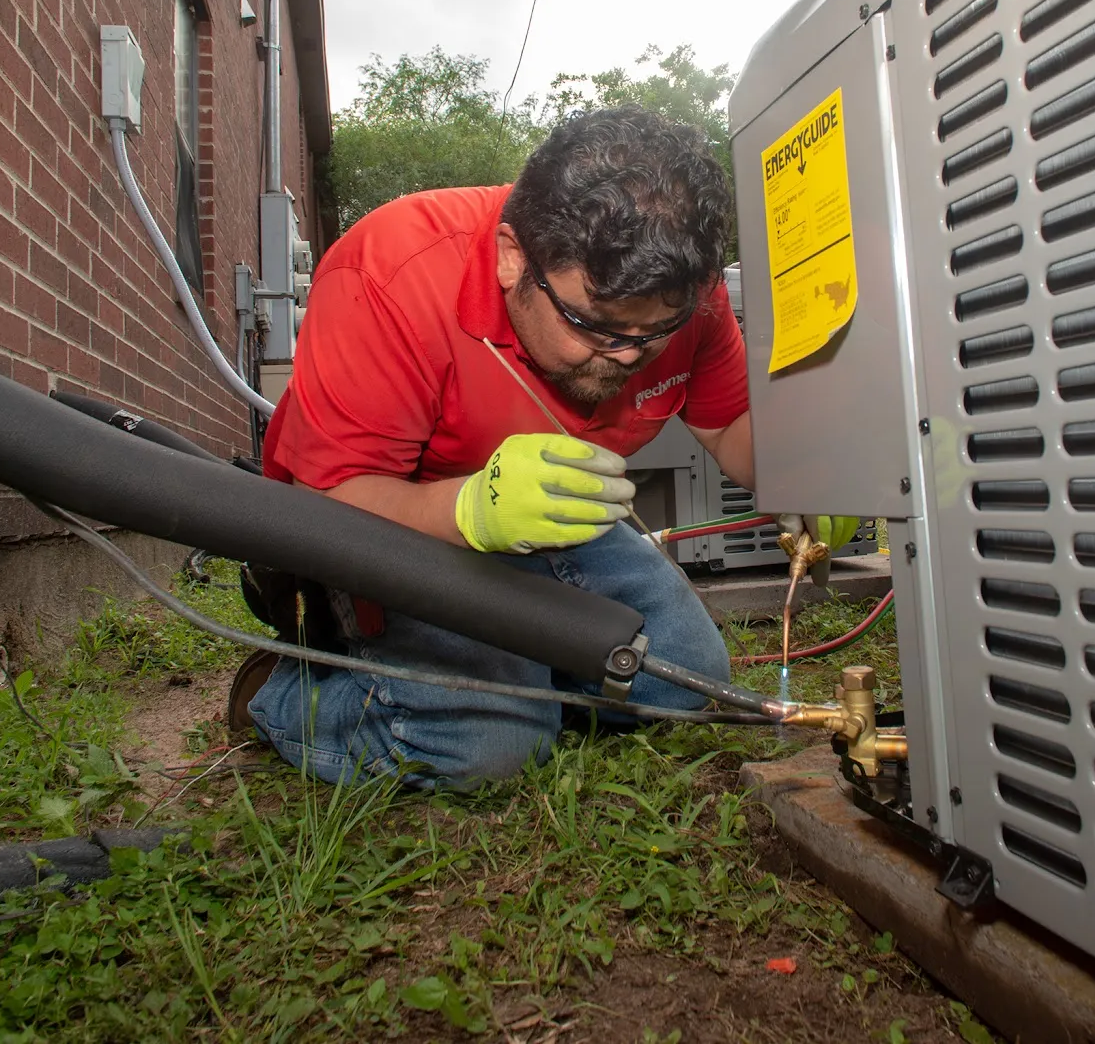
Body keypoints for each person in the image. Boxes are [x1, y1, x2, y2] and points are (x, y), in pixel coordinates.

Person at [237, 105, 851, 786]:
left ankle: (527, 672)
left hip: (551, 512)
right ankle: (287, 695)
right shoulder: (390, 272)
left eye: (656, 332)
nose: (629, 355)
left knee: (683, 680)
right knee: (488, 746)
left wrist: (807, 473)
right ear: (512, 257)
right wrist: (472, 512)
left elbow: (730, 425)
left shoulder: (683, 297)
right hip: (393, 521)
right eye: (595, 324)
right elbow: (326, 501)